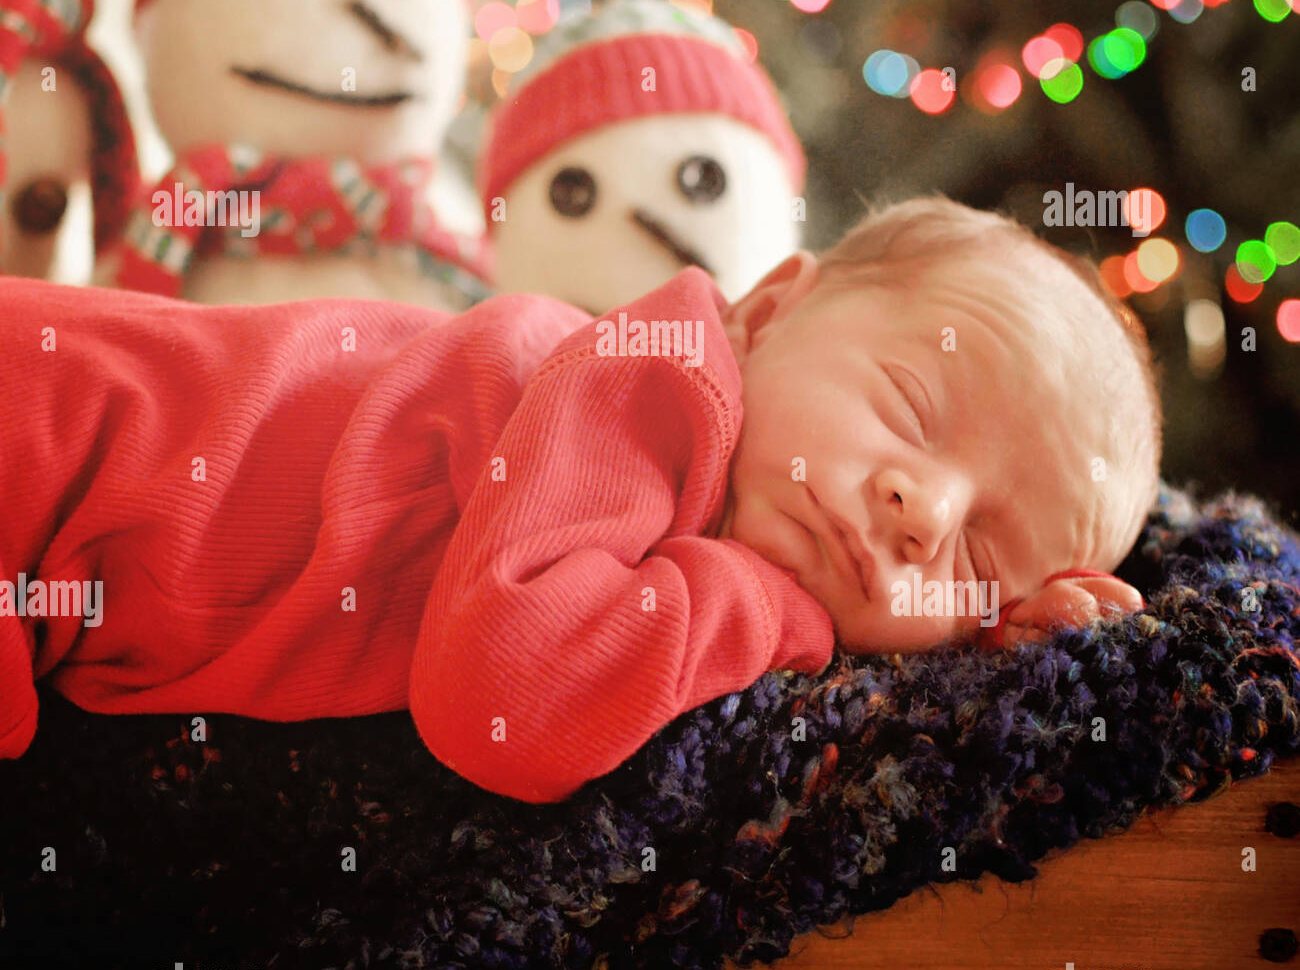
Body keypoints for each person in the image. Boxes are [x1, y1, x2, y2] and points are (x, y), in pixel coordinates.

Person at [0, 196, 1158, 802]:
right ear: (765, 312)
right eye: (909, 406)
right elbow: (504, 702)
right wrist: (779, 607)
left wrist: (1007, 645)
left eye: (980, 554)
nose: (921, 508)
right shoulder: (657, 379)